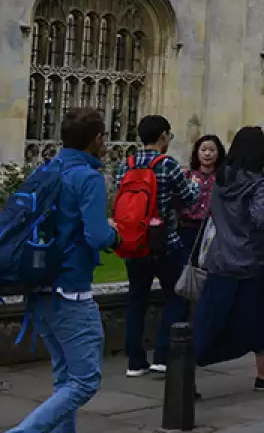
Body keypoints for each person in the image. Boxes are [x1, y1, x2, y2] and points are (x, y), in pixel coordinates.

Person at [10, 108, 118, 433]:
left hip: (39, 284)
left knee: (65, 378)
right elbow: (97, 236)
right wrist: (115, 233)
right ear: (97, 139)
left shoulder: (48, 169)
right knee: (85, 381)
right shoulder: (88, 177)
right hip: (71, 289)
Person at [193, 125, 264, 390]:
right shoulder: (257, 183)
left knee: (207, 321)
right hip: (251, 261)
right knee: (259, 321)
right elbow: (262, 216)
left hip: (221, 259)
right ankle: (263, 375)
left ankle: (185, 377)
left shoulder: (220, 179)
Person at [119, 114, 199, 377]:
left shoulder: (127, 164)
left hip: (134, 242)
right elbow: (188, 199)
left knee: (136, 300)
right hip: (164, 241)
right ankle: (163, 356)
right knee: (175, 296)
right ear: (163, 136)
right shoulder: (167, 164)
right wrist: (195, 186)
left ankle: (135, 361)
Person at [179, 134, 224, 260]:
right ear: (197, 152)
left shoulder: (222, 179)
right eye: (203, 150)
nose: (207, 154)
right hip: (187, 229)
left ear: (218, 153)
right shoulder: (187, 176)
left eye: (212, 150)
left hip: (211, 229)